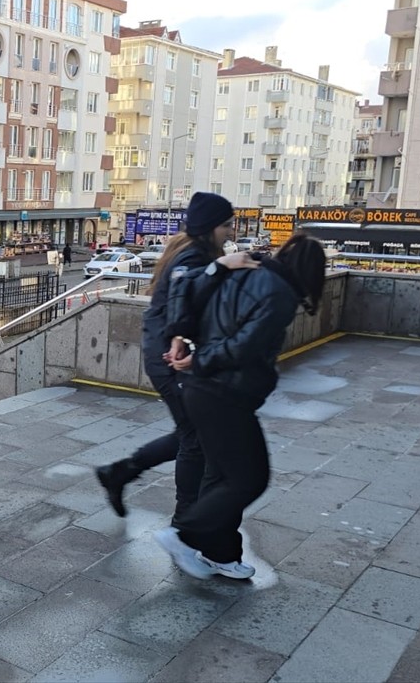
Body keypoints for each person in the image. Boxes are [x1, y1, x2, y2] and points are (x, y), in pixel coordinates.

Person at [154, 232, 326, 580]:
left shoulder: (242, 272)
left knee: (220, 476)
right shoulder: (280, 295)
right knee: (250, 478)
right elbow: (244, 345)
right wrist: (201, 359)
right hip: (224, 394)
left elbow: (185, 294)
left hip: (203, 391)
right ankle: (183, 535)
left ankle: (221, 553)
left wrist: (184, 341)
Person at [94, 192, 255, 518]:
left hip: (167, 350)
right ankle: (184, 520)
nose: (230, 232)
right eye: (226, 225)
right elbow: (189, 284)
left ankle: (120, 472)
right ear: (210, 226)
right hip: (168, 358)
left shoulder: (190, 249)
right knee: (195, 438)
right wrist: (221, 265)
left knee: (192, 432)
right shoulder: (193, 257)